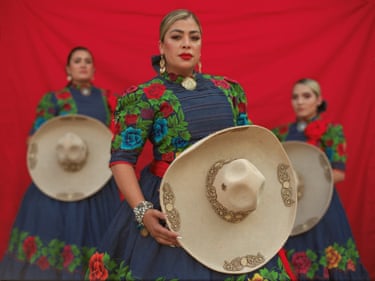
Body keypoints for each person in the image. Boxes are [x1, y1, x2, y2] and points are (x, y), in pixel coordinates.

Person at [86, 9, 298, 281]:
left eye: (194, 37)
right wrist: (142, 211)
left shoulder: (229, 90)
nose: (187, 43)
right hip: (170, 204)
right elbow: (121, 159)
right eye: (177, 36)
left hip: (226, 202)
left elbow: (249, 145)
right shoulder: (144, 97)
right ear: (162, 46)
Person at [0, 46, 122, 280]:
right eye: (77, 61)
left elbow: (118, 138)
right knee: (54, 230)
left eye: (87, 60)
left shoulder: (109, 100)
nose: (83, 64)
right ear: (68, 69)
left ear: (94, 69)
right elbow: (35, 138)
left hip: (97, 179)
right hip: (58, 179)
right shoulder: (55, 99)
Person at [271, 78, 370, 280]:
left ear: (318, 100)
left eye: (306, 96)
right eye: (295, 97)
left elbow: (339, 173)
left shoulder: (332, 132)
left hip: (324, 205)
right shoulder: (281, 134)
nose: (300, 101)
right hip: (292, 208)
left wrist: (309, 177)